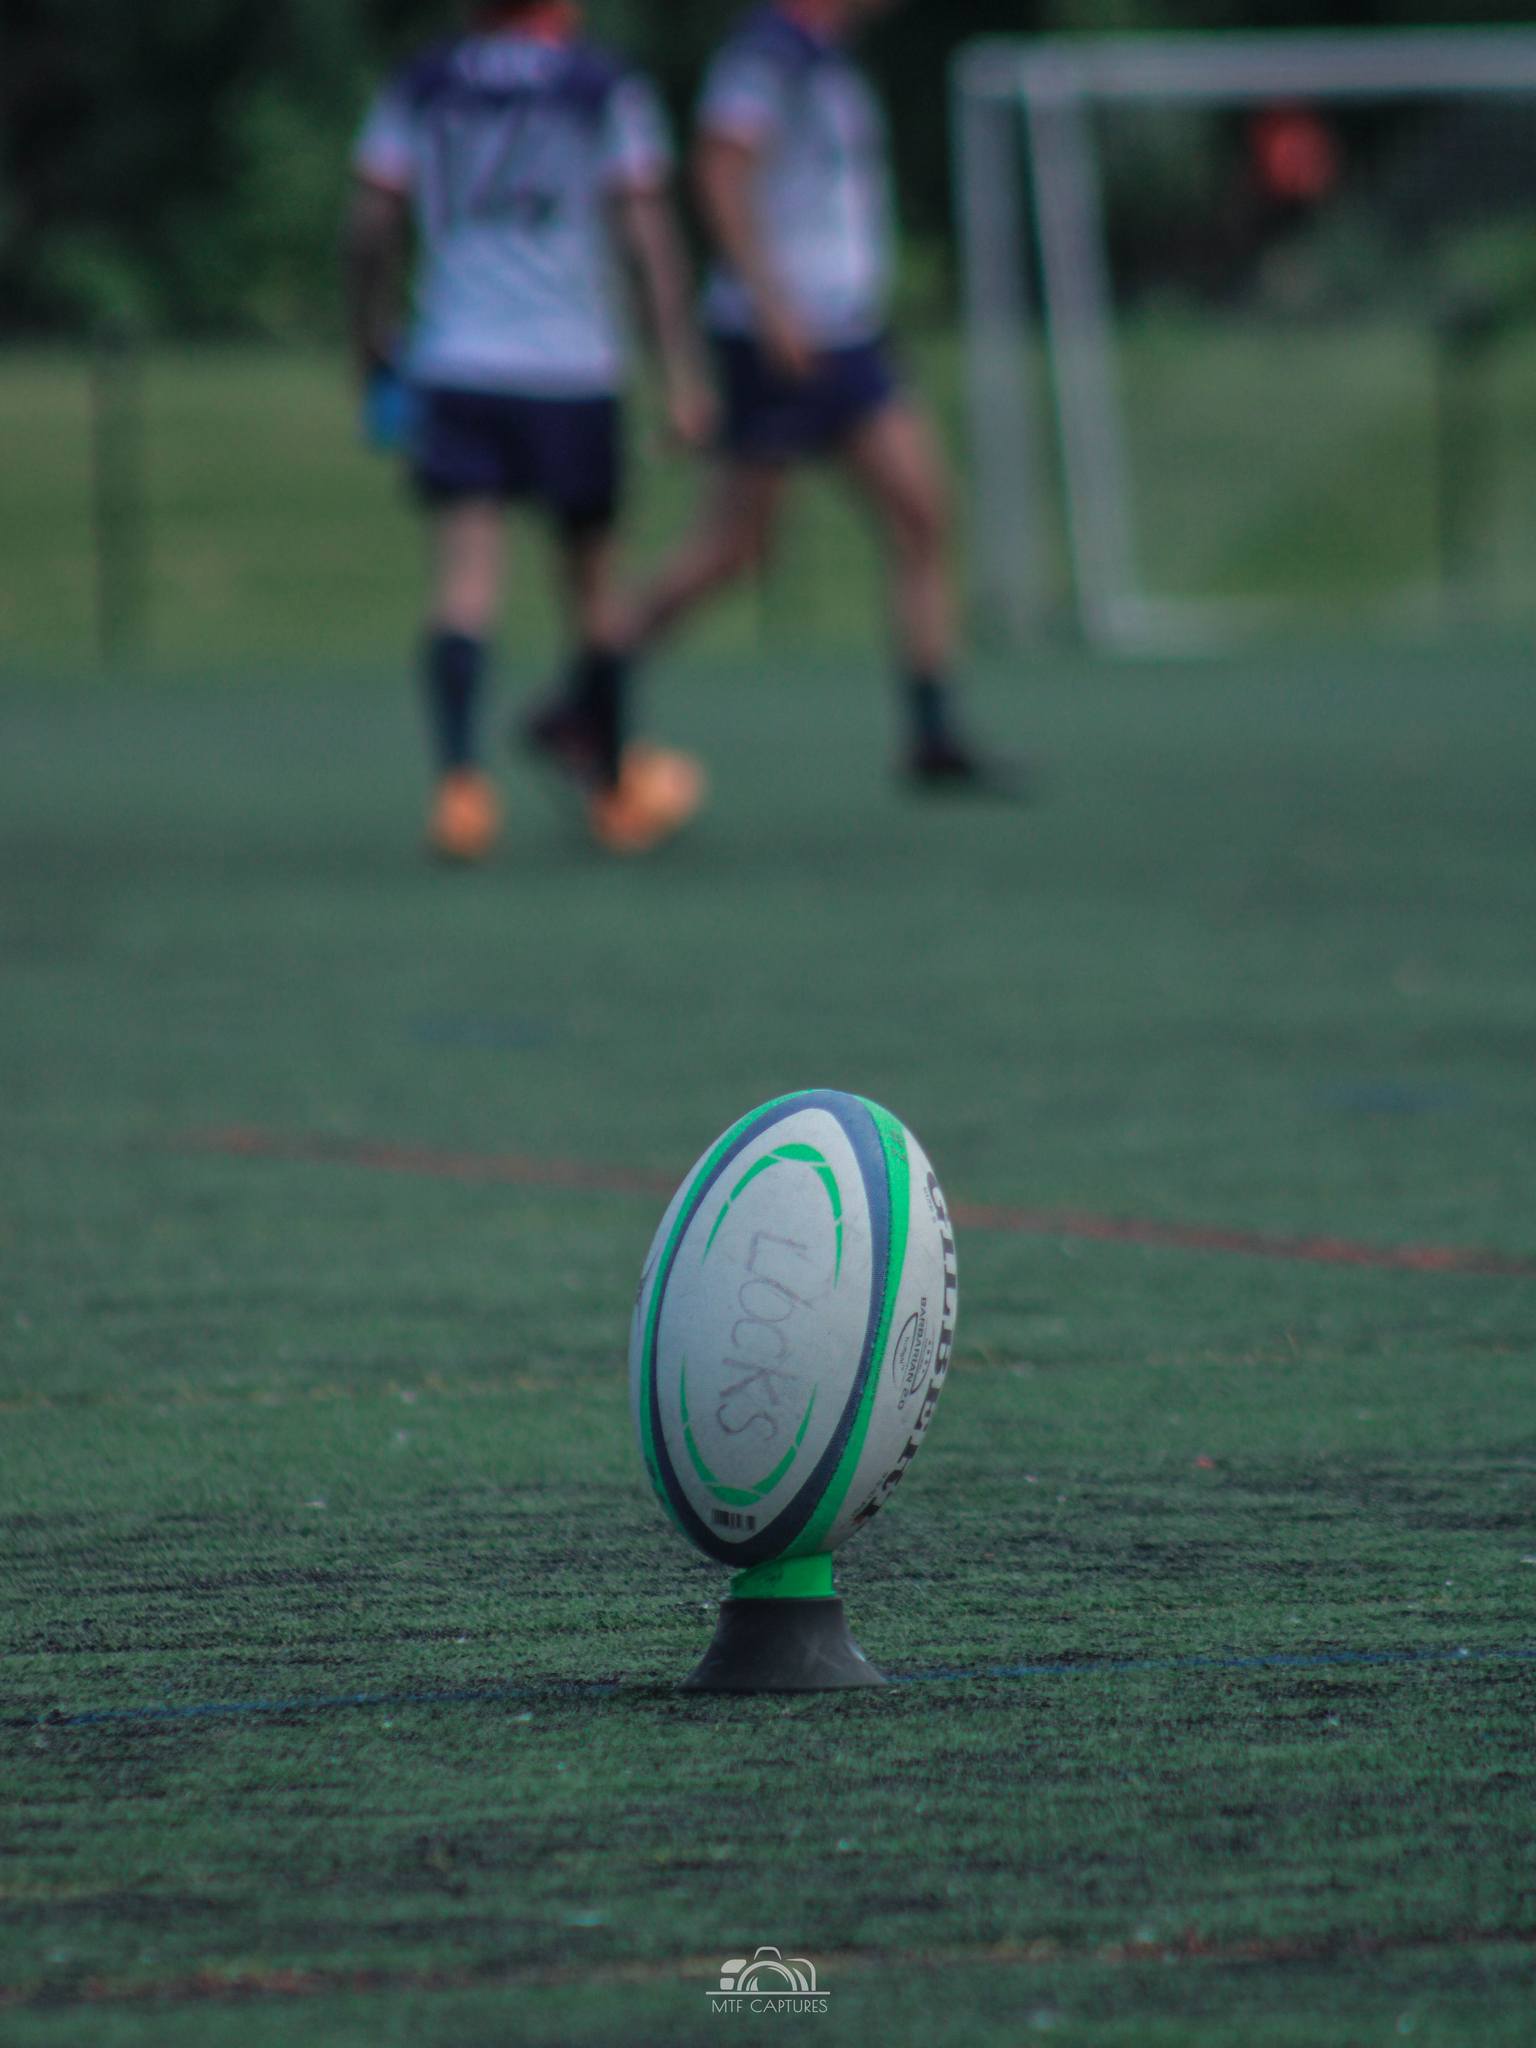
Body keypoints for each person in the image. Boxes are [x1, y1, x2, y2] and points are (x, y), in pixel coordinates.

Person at [538, 0, 1015, 794]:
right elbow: (721, 169)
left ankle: (933, 733)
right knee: (732, 549)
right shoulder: (764, 55)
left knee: (924, 513)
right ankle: (587, 692)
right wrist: (771, 302)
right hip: (784, 337)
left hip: (847, 332)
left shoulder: (827, 62)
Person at [344, 0, 714, 860]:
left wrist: (368, 341)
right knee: (592, 587)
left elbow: (369, 223)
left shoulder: (425, 81)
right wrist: (681, 373)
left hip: (459, 358)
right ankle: (615, 791)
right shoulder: (601, 85)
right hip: (572, 365)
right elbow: (646, 228)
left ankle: (461, 791)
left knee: (465, 581)